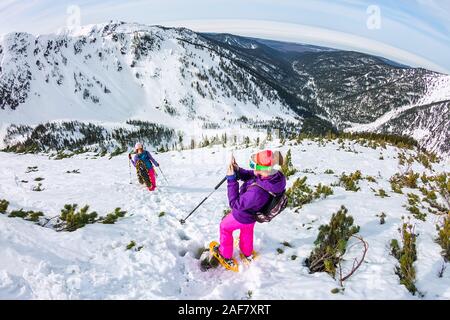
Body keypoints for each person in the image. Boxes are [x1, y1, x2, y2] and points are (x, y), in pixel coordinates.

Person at [212, 150, 286, 266]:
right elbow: (252, 175)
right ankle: (247, 252)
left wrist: (231, 180)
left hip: (241, 215)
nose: (252, 167)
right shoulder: (273, 177)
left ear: (263, 169)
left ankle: (225, 254)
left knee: (225, 227)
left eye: (253, 165)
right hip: (253, 215)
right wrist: (238, 170)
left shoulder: (257, 193)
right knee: (247, 231)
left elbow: (235, 204)